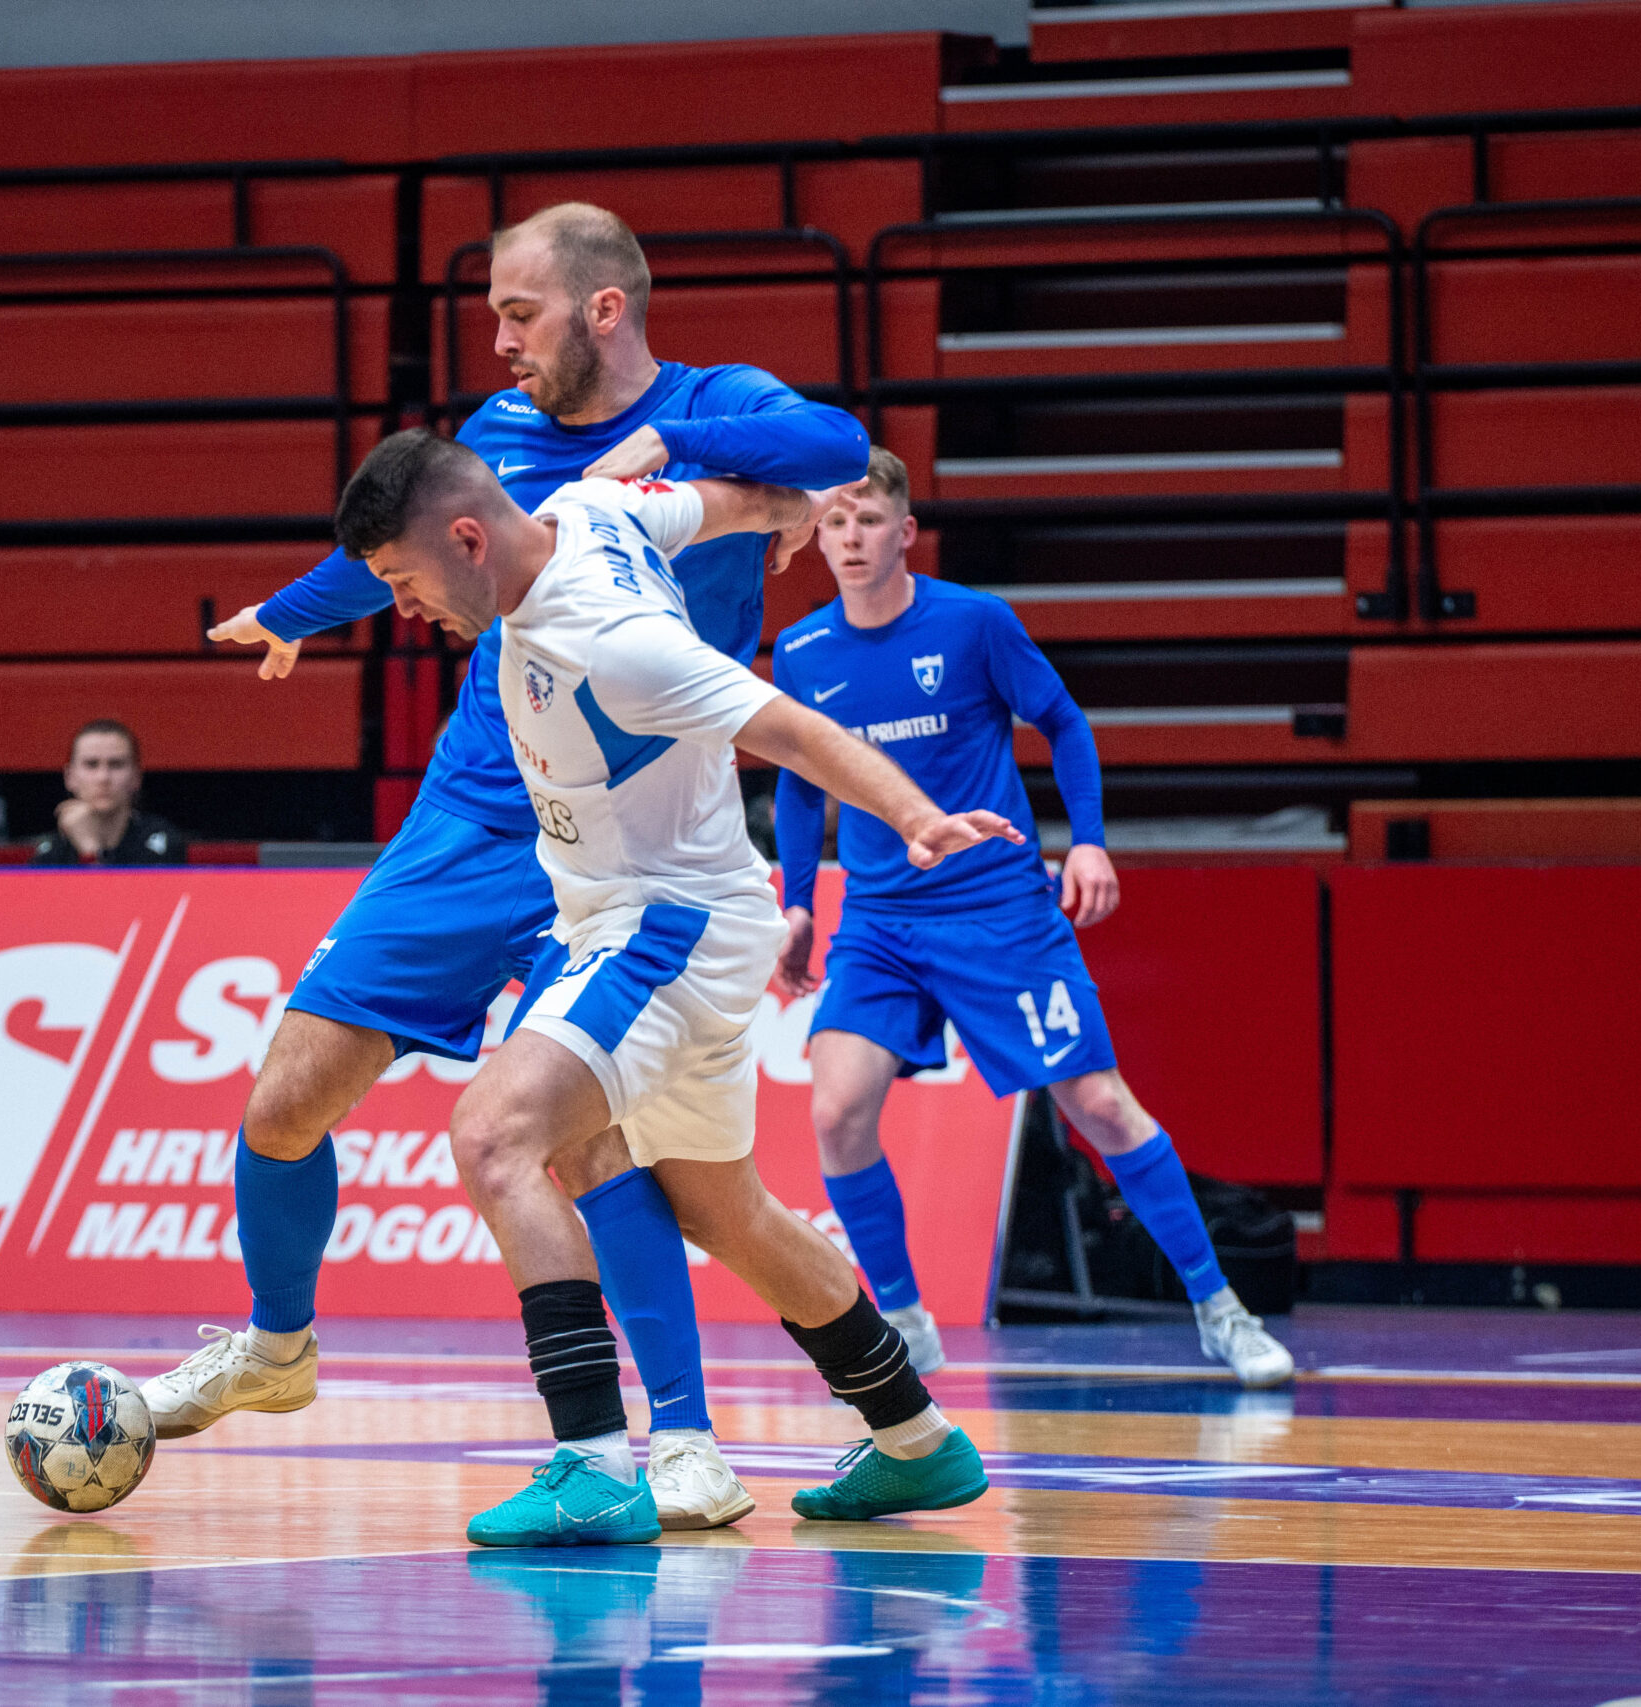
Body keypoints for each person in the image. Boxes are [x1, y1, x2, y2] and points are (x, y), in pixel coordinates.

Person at [144, 203, 867, 1531]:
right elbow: (409, 549)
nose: (499, 338)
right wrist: (293, 613)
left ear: (602, 309)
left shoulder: (717, 409)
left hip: (620, 848)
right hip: (474, 811)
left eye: (519, 313)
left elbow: (836, 450)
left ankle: (681, 1435)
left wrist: (673, 448)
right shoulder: (497, 436)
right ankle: (274, 1343)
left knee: (590, 1142)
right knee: (285, 1096)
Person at [341, 429, 1013, 1547]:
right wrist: (786, 506)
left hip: (661, 927)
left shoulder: (616, 641)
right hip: (670, 915)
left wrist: (912, 817)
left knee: (494, 1135)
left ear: (467, 539)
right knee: (724, 1207)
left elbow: (791, 727)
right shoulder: (591, 506)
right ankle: (914, 1440)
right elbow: (715, 502)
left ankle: (593, 1462)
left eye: (405, 582)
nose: (408, 609)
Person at [771, 450, 1294, 1389]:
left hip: (998, 908)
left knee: (1099, 1104)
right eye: (834, 523)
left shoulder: (973, 623)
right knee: (839, 1110)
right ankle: (905, 1322)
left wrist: (1087, 841)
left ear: (904, 534)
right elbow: (804, 787)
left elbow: (1065, 722)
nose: (849, 539)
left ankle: (1222, 1308)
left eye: (867, 521)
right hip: (883, 920)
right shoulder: (805, 652)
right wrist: (802, 903)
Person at [28, 720, 187, 866]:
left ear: (136, 777)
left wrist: (90, 852)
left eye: (116, 765)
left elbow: (130, 898)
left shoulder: (162, 843)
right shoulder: (51, 852)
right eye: (91, 764)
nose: (103, 777)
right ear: (69, 777)